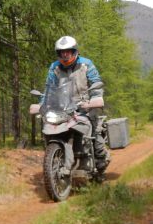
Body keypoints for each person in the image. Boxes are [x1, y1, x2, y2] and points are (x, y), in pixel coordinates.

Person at [43, 35, 110, 172]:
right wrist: (42, 104)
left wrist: (95, 99)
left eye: (67, 51)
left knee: (95, 133)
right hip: (63, 109)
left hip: (85, 107)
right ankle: (57, 159)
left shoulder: (86, 64)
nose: (65, 54)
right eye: (62, 52)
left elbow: (96, 83)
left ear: (74, 51)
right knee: (49, 125)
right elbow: (49, 87)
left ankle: (100, 160)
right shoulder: (54, 68)